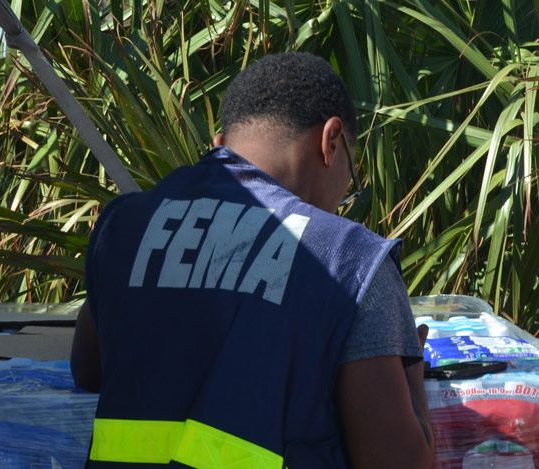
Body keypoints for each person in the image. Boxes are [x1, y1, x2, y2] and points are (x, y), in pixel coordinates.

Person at [71, 52, 434, 468]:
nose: (340, 199)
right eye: (349, 175)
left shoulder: (125, 225)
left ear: (219, 145)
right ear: (330, 140)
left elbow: (88, 370)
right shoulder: (348, 258)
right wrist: (408, 361)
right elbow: (400, 461)